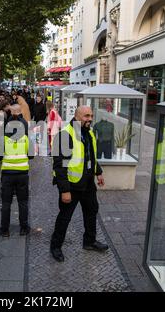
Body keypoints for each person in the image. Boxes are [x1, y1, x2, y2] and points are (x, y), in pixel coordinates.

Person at [50, 106, 108, 262]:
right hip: (72, 186)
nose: (89, 119)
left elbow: (91, 156)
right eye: (86, 116)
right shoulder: (65, 135)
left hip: (88, 183)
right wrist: (64, 190)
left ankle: (89, 241)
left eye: (91, 116)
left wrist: (98, 171)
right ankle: (55, 247)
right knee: (65, 217)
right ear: (76, 116)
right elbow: (59, 166)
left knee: (92, 211)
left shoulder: (88, 133)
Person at [0, 104, 33, 237]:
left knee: (6, 203)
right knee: (23, 202)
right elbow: (31, 155)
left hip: (7, 174)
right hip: (22, 173)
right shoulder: (26, 138)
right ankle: (24, 228)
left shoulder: (3, 139)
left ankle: (4, 230)